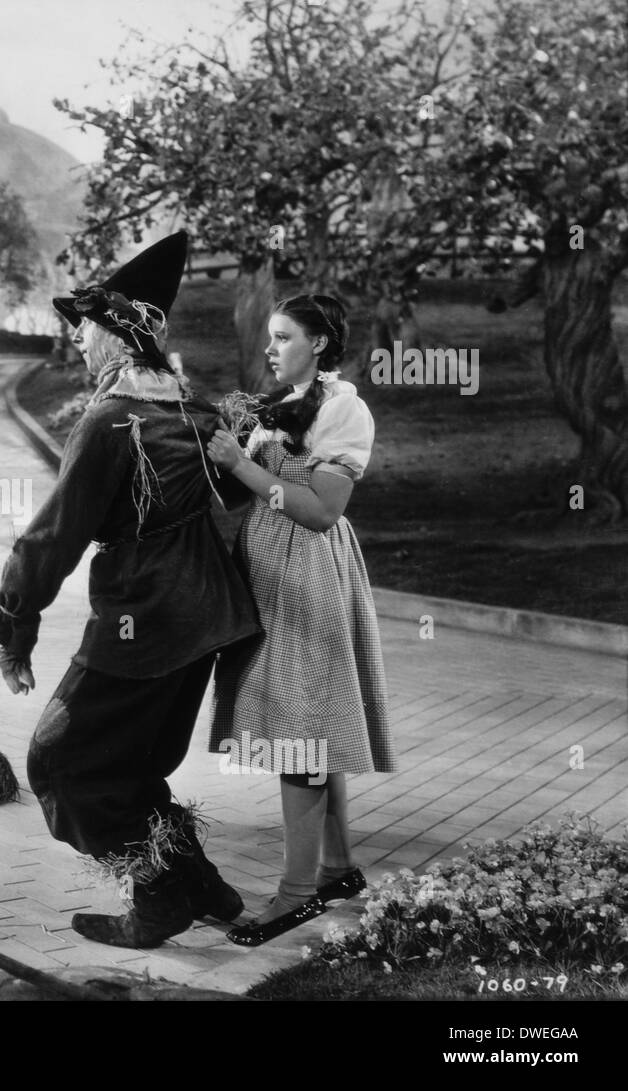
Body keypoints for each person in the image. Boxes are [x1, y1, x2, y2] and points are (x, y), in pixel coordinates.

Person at [0, 232, 262, 949]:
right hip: (208, 622)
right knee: (127, 766)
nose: (78, 337)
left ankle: (163, 893)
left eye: (89, 324)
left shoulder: (109, 423)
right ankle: (199, 884)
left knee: (60, 764)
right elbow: (231, 491)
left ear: (122, 334)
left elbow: (51, 539)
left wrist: (14, 627)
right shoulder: (194, 416)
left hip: (147, 624)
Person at [205, 293, 395, 946]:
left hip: (309, 575)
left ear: (317, 343)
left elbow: (321, 511)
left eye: (283, 336)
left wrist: (244, 465)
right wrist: (225, 447)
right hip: (272, 576)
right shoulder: (279, 404)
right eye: (269, 337)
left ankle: (297, 893)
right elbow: (244, 488)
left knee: (301, 731)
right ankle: (336, 868)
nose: (270, 347)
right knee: (304, 722)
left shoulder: (345, 408)